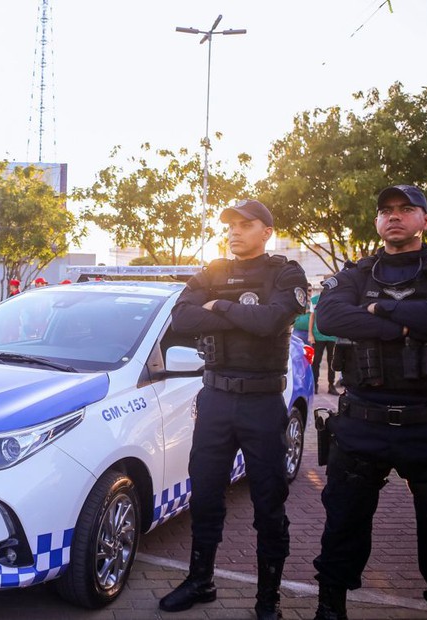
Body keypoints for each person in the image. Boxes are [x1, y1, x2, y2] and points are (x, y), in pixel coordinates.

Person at [312, 185, 427, 620]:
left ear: (425, 221)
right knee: (343, 525)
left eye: (406, 210)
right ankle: (330, 607)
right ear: (377, 222)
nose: (395, 217)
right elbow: (331, 317)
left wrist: (380, 314)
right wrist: (410, 326)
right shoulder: (354, 274)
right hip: (362, 423)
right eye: (386, 211)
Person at [161, 199, 308, 619]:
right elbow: (181, 320)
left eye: (246, 224)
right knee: (205, 494)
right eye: (230, 225)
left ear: (266, 231)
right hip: (216, 400)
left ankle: (268, 598)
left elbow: (271, 322)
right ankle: (199, 580)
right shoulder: (212, 270)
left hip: (262, 403)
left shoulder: (285, 272)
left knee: (268, 501)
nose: (234, 231)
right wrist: (244, 313)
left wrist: (219, 308)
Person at [307, 289, 339, 395]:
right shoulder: (315, 300)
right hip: (318, 336)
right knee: (316, 362)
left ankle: (331, 385)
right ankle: (314, 385)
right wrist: (310, 334)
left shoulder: (336, 299)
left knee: (332, 362)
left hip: (332, 336)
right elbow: (312, 316)